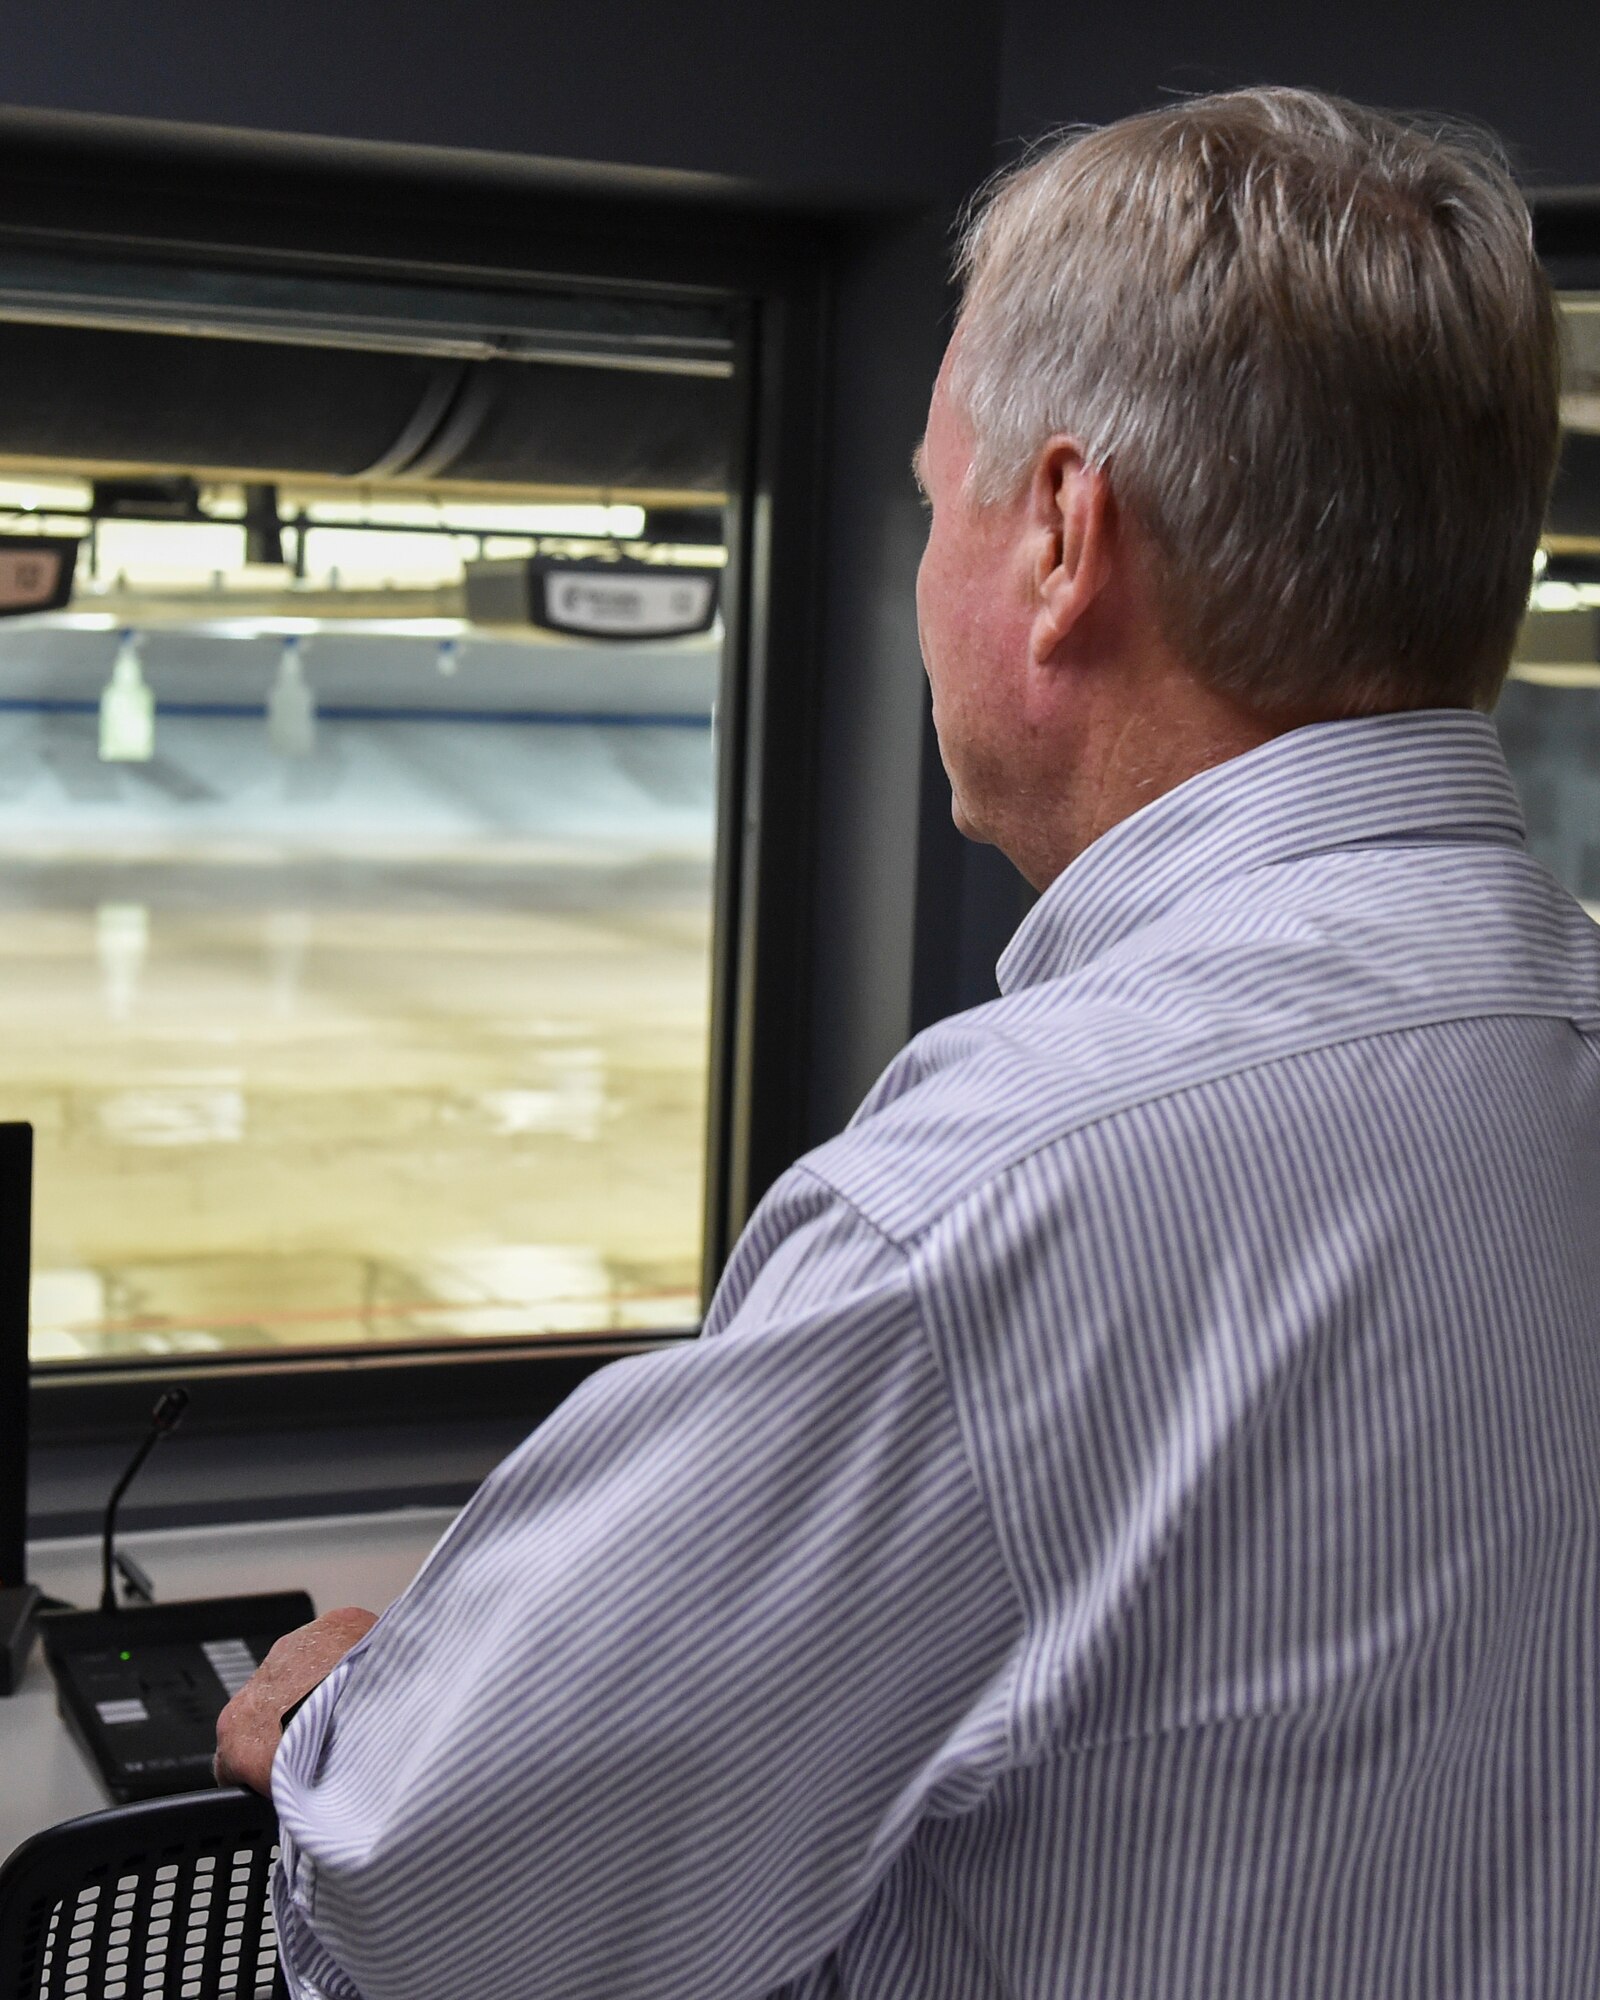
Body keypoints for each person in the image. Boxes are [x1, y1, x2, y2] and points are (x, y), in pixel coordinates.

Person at [218, 87, 1600, 1999]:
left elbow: (432, 1909)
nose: (922, 574)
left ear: (1057, 536)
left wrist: (339, 1724)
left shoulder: (986, 1201)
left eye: (931, 496)